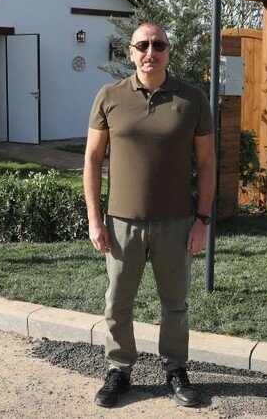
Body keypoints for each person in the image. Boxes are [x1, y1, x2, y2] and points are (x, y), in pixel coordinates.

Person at [83, 22, 216, 408]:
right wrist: (95, 219)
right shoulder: (110, 96)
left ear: (168, 51)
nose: (150, 52)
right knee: (117, 302)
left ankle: (175, 369)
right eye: (142, 45)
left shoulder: (192, 99)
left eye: (158, 45)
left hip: (176, 222)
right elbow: (92, 160)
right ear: (130, 52)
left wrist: (202, 220)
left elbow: (207, 163)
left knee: (174, 303)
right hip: (121, 222)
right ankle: (118, 370)